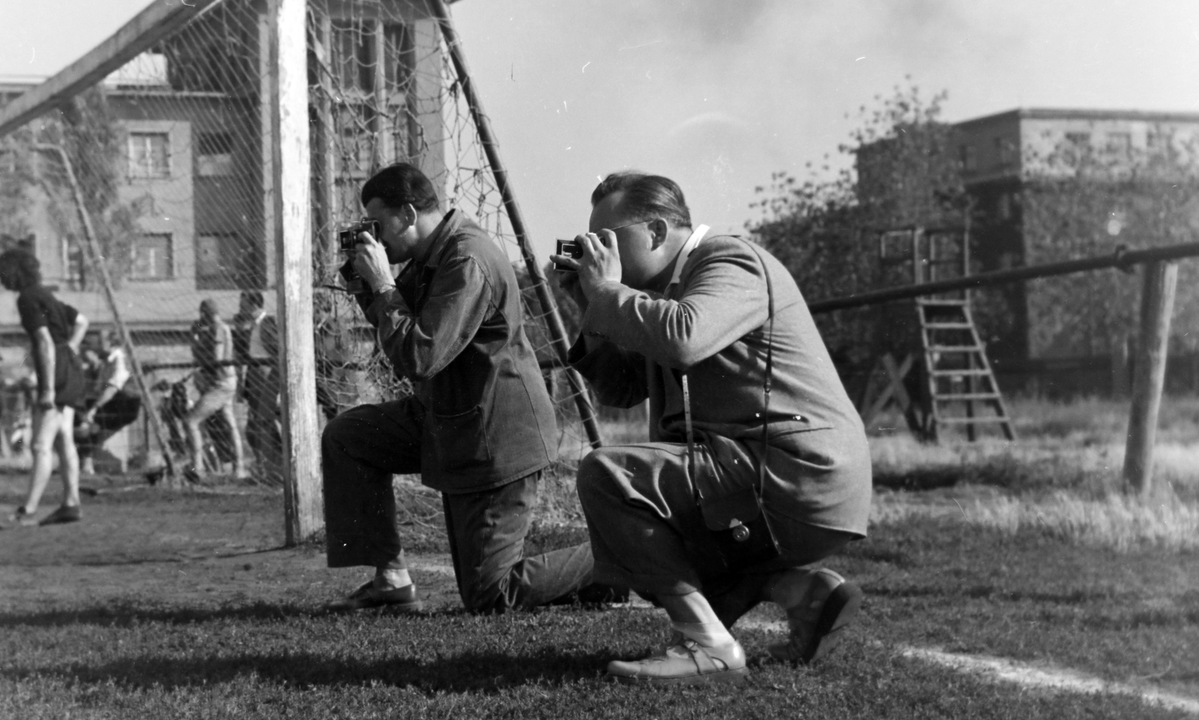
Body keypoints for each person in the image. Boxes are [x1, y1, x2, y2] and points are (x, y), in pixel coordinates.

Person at [553, 172, 872, 684]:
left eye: (608, 240)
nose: (597, 252)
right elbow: (619, 390)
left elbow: (684, 338)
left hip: (800, 473)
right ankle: (802, 594)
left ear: (656, 232)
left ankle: (708, 645)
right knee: (667, 535)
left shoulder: (730, 261)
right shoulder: (659, 292)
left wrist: (609, 292)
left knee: (607, 475)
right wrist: (590, 304)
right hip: (769, 472)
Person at [323, 162, 597, 615]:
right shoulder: (433, 255)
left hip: (496, 436)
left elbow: (420, 357)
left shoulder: (466, 258)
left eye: (378, 224)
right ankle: (390, 578)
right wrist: (368, 289)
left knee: (491, 595)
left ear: (409, 214)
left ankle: (617, 560)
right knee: (349, 438)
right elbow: (402, 328)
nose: (375, 236)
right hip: (449, 419)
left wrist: (384, 285)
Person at [0, 244, 88, 527]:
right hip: (70, 367)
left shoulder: (27, 299)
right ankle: (71, 503)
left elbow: (45, 343)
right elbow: (82, 320)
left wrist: (47, 389)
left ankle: (29, 510)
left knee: (39, 445)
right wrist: (71, 347)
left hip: (55, 371)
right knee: (63, 440)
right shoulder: (48, 295)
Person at [187, 298, 247, 481]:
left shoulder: (218, 328)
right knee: (230, 425)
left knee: (191, 421)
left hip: (220, 383)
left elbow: (216, 357)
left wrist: (198, 345)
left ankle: (197, 468)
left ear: (205, 313)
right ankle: (240, 468)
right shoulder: (214, 329)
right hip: (225, 381)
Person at [76, 329, 142, 477]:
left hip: (127, 403)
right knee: (84, 418)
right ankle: (86, 463)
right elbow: (98, 389)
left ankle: (86, 464)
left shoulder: (120, 359)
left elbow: (111, 389)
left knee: (90, 422)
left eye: (99, 342)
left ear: (111, 343)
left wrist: (93, 409)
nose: (95, 347)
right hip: (114, 401)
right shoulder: (106, 361)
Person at [233, 290, 282, 477]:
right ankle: (267, 467)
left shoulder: (266, 322)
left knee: (266, 420)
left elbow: (274, 349)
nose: (240, 308)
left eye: (243, 304)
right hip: (254, 375)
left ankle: (276, 465)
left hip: (265, 374)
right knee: (258, 421)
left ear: (253, 304)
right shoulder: (251, 326)